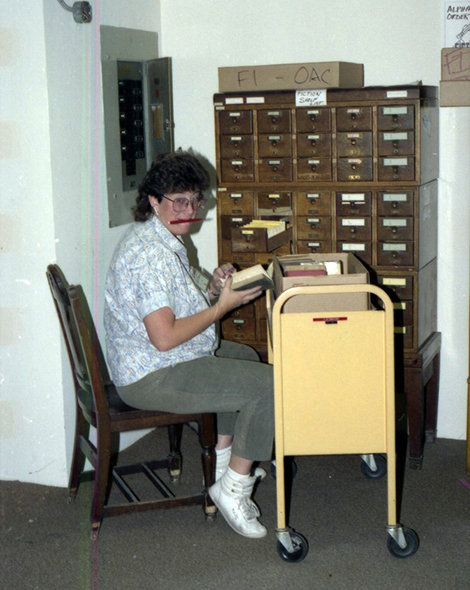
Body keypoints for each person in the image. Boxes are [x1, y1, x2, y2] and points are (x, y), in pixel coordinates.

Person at [104, 151, 274, 539]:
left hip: (159, 360)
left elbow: (183, 297)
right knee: (266, 386)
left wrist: (215, 288)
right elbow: (164, 338)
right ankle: (233, 490)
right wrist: (221, 309)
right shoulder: (149, 256)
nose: (189, 209)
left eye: (195, 200)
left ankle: (224, 465)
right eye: (178, 201)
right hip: (152, 374)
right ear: (153, 200)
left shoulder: (161, 238)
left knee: (244, 357)